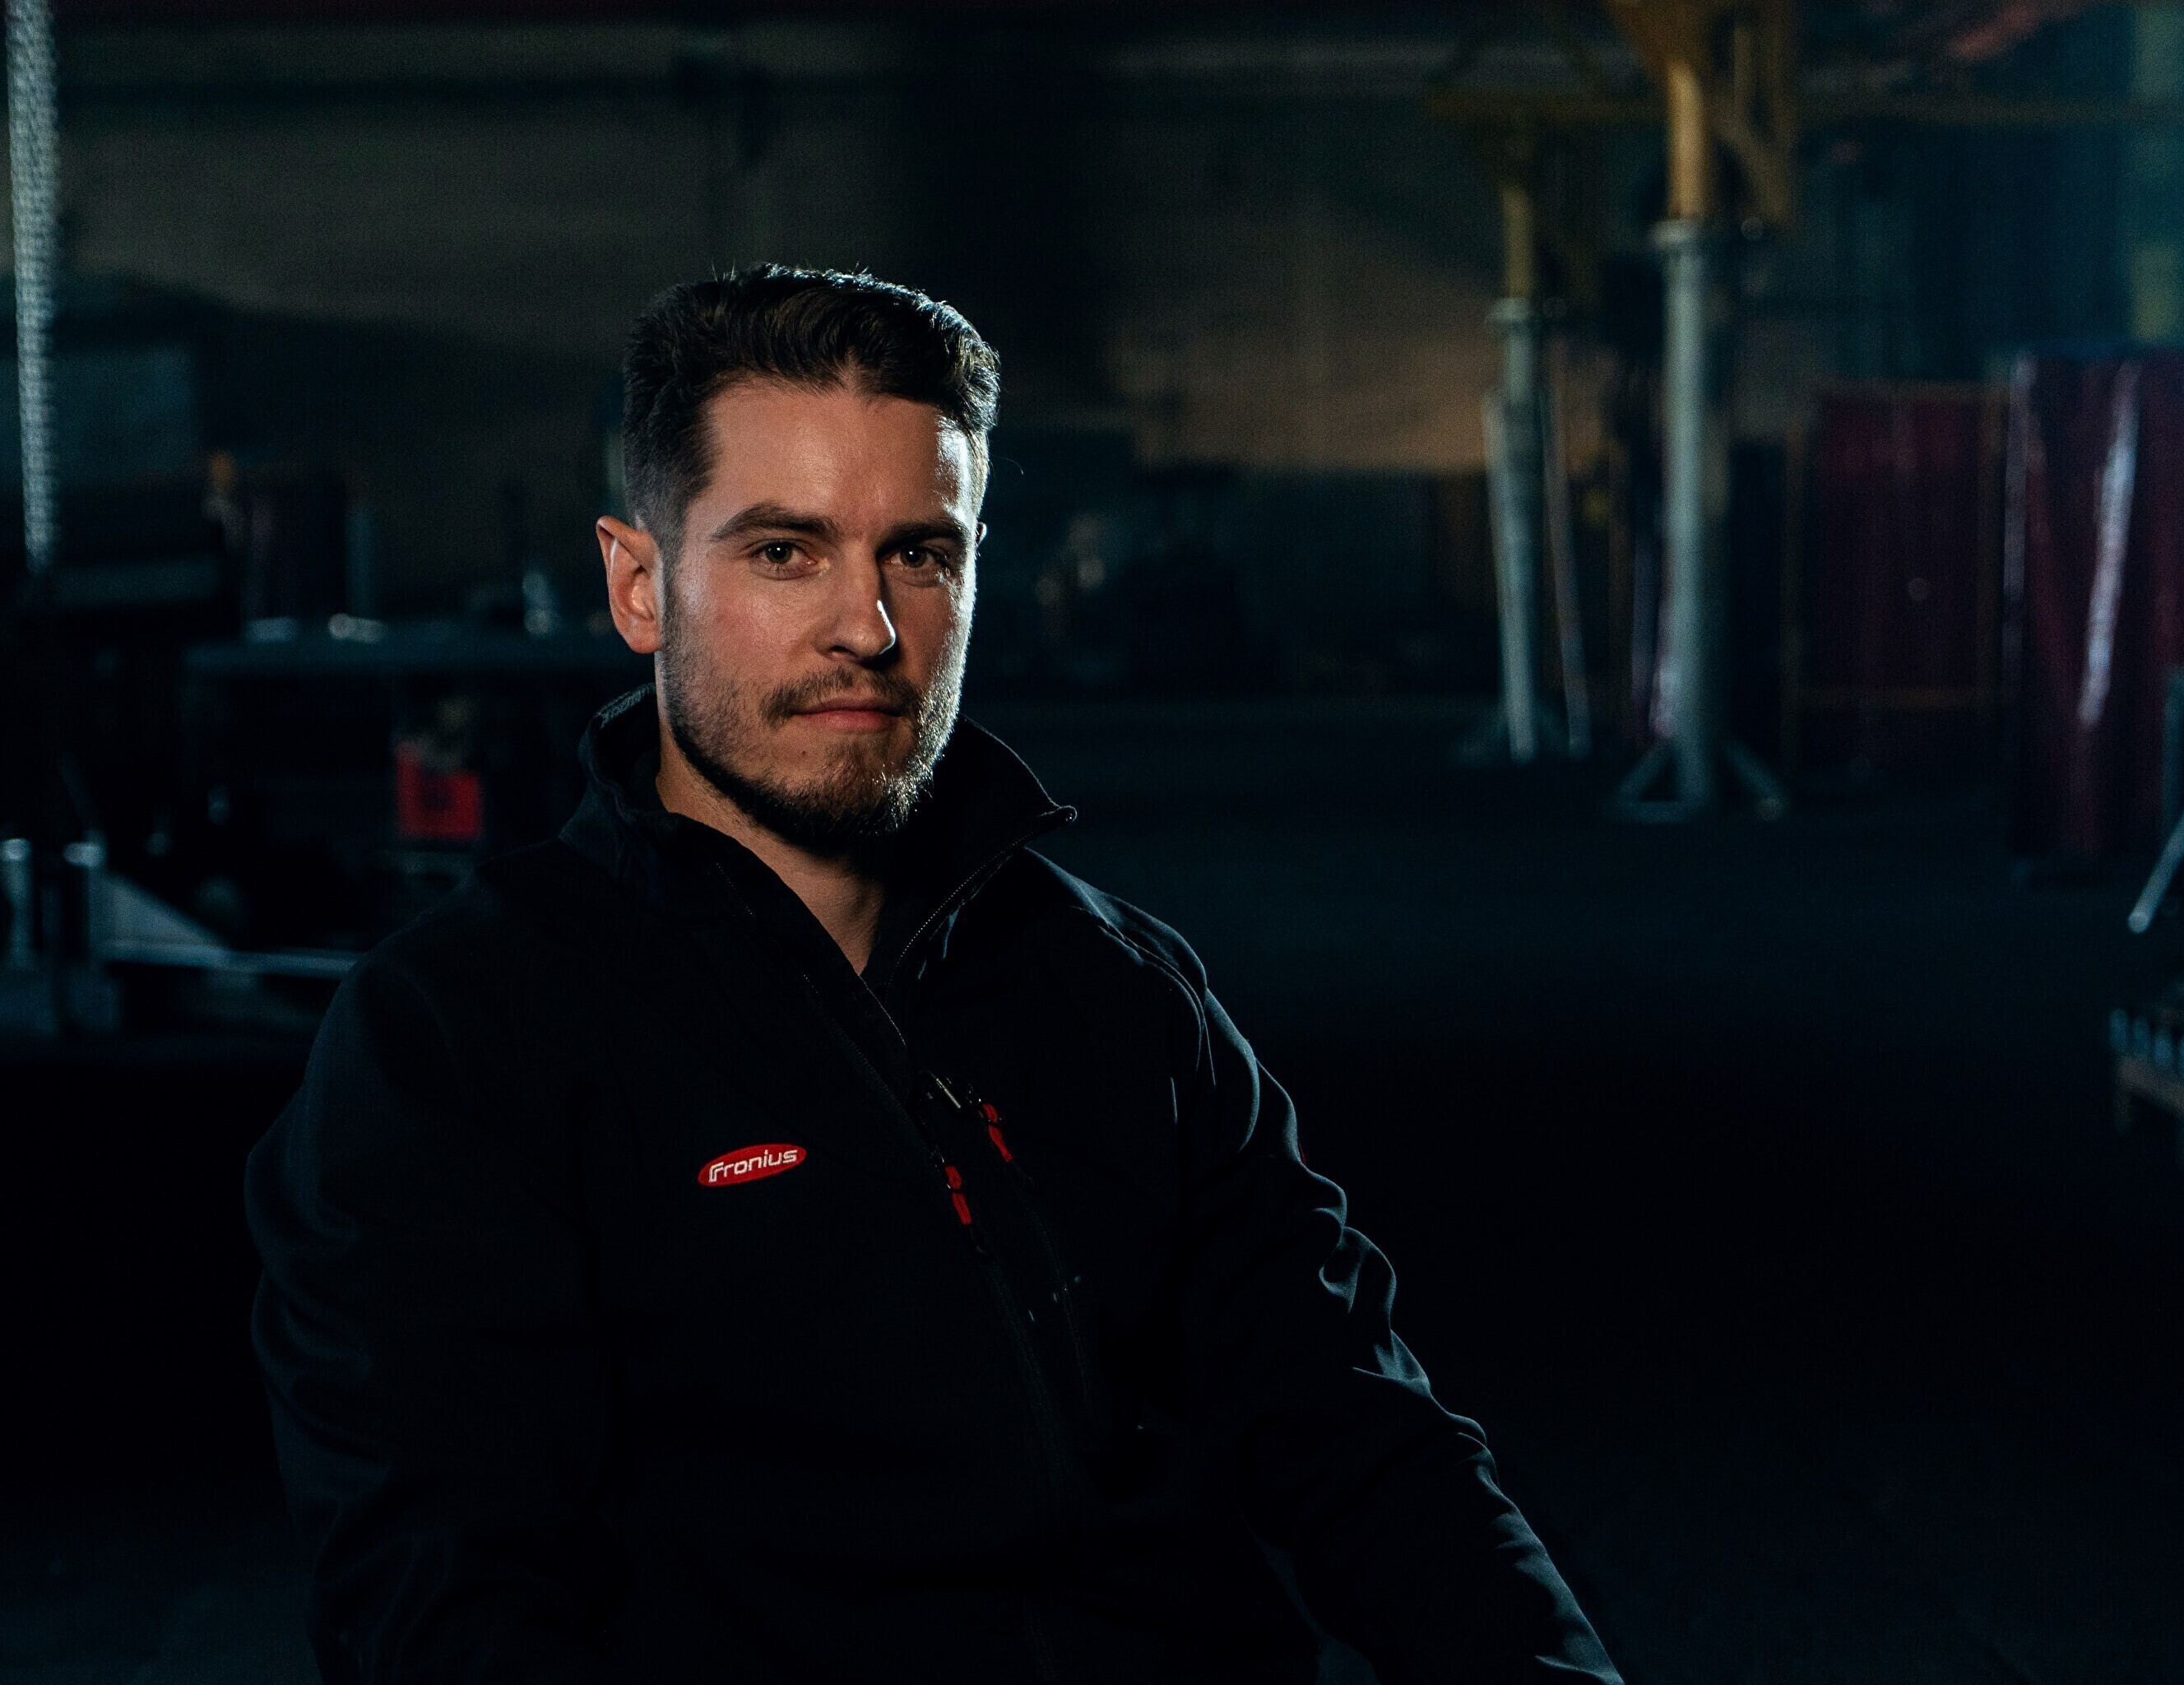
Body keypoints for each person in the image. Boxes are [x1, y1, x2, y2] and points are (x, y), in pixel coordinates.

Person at [246, 266, 1621, 1684]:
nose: (870, 627)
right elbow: (447, 1607)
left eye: (920, 554)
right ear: (640, 585)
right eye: (786, 552)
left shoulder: (1118, 992)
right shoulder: (458, 1041)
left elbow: (1366, 1443)